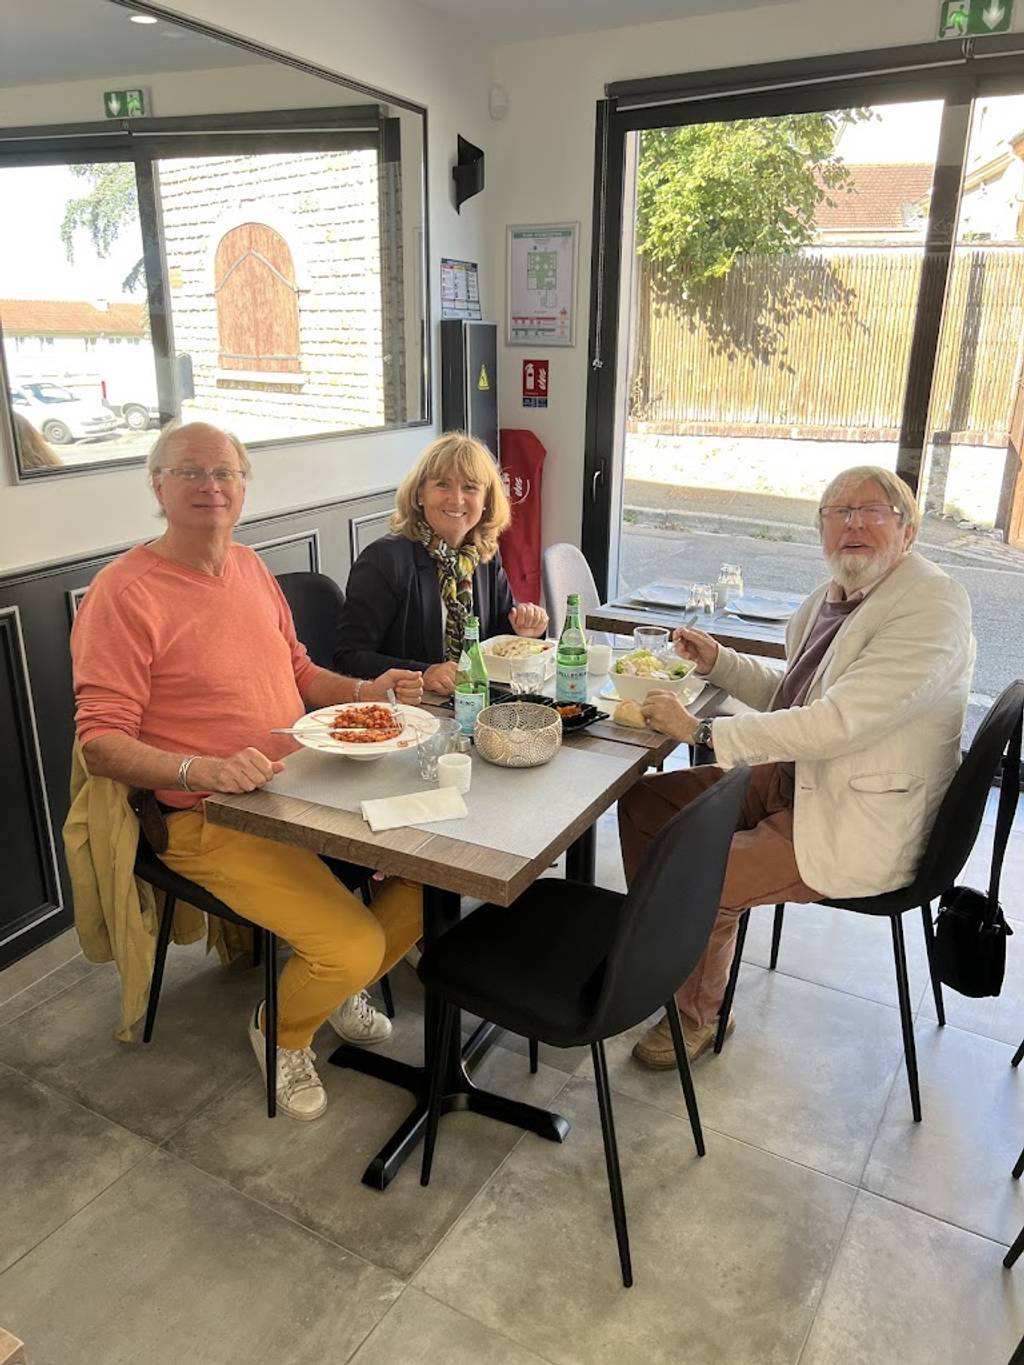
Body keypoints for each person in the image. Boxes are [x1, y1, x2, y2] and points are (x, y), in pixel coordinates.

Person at [70, 420, 427, 1121]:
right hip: (205, 815)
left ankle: (329, 981)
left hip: (302, 783)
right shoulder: (123, 593)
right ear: (158, 487)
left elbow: (297, 671)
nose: (211, 486)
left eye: (225, 473)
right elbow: (100, 745)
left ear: (243, 487)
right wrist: (200, 768)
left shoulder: (250, 566)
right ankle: (281, 1029)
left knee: (433, 871)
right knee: (354, 942)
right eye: (190, 473)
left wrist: (366, 691)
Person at [618, 465, 975, 1067]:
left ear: (907, 530)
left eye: (872, 511)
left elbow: (837, 723)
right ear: (821, 529)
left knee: (703, 876)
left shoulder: (931, 606)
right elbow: (798, 697)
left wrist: (702, 729)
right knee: (645, 805)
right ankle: (665, 957)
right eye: (837, 512)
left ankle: (697, 1014)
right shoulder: (834, 596)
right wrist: (721, 662)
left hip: (852, 811)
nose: (853, 523)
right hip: (795, 782)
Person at [334, 431, 548, 694]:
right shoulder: (383, 560)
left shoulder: (483, 556)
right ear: (420, 494)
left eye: (470, 487)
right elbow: (348, 657)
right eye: (442, 485)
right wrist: (424, 672)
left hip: (472, 701)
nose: (457, 499)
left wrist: (525, 630)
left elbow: (498, 638)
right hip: (410, 710)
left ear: (486, 501)